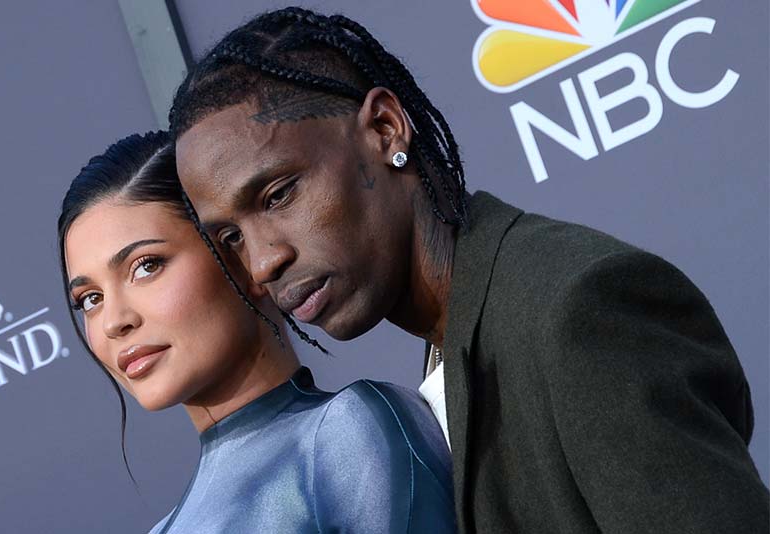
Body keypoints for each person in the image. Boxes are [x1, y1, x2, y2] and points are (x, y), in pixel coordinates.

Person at [167, 7, 769, 533]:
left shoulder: (576, 311)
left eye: (278, 196)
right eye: (231, 238)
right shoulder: (451, 353)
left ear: (384, 129)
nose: (264, 260)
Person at [57, 131, 455, 533]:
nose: (113, 321)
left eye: (146, 266)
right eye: (90, 299)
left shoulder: (344, 435)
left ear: (238, 254)